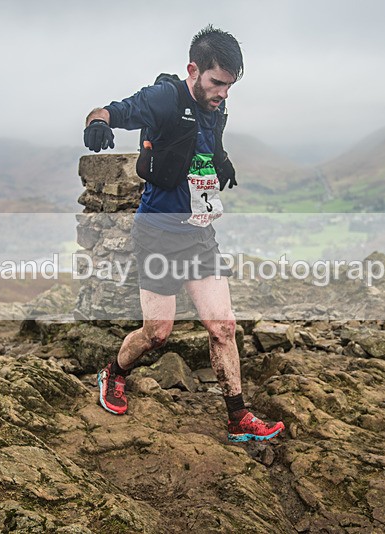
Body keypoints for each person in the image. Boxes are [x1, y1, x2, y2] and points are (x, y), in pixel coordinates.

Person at [82, 25, 284, 442]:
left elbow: (208, 142)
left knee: (223, 327)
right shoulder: (165, 98)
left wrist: (221, 161)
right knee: (157, 333)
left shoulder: (217, 107)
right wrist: (98, 123)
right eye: (217, 83)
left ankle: (238, 416)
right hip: (157, 233)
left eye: (230, 85)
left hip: (199, 234)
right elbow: (110, 111)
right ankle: (113, 373)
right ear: (193, 70)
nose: (223, 93)